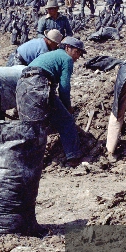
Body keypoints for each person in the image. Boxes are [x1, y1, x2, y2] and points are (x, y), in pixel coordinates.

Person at [25, 36, 86, 164]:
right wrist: (67, 108)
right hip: (38, 84)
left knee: (34, 125)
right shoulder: (66, 58)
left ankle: (29, 159)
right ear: (68, 48)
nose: (78, 56)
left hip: (23, 85)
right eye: (77, 52)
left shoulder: (52, 55)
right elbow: (64, 88)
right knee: (66, 121)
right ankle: (74, 157)